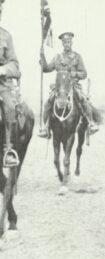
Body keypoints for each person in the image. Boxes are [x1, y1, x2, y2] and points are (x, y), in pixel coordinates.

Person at [38, 32, 98, 138]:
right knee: (48, 102)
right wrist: (42, 56)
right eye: (65, 42)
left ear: (71, 43)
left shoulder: (77, 57)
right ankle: (45, 128)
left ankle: (91, 123)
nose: (67, 44)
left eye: (69, 42)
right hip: (59, 87)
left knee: (83, 100)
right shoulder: (57, 58)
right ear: (62, 43)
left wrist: (74, 74)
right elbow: (47, 69)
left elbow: (84, 73)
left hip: (73, 86)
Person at [0, 0, 22, 167]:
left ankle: (8, 150)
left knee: (10, 108)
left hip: (2, 85)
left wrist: (3, 70)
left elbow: (15, 65)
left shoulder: (5, 36)